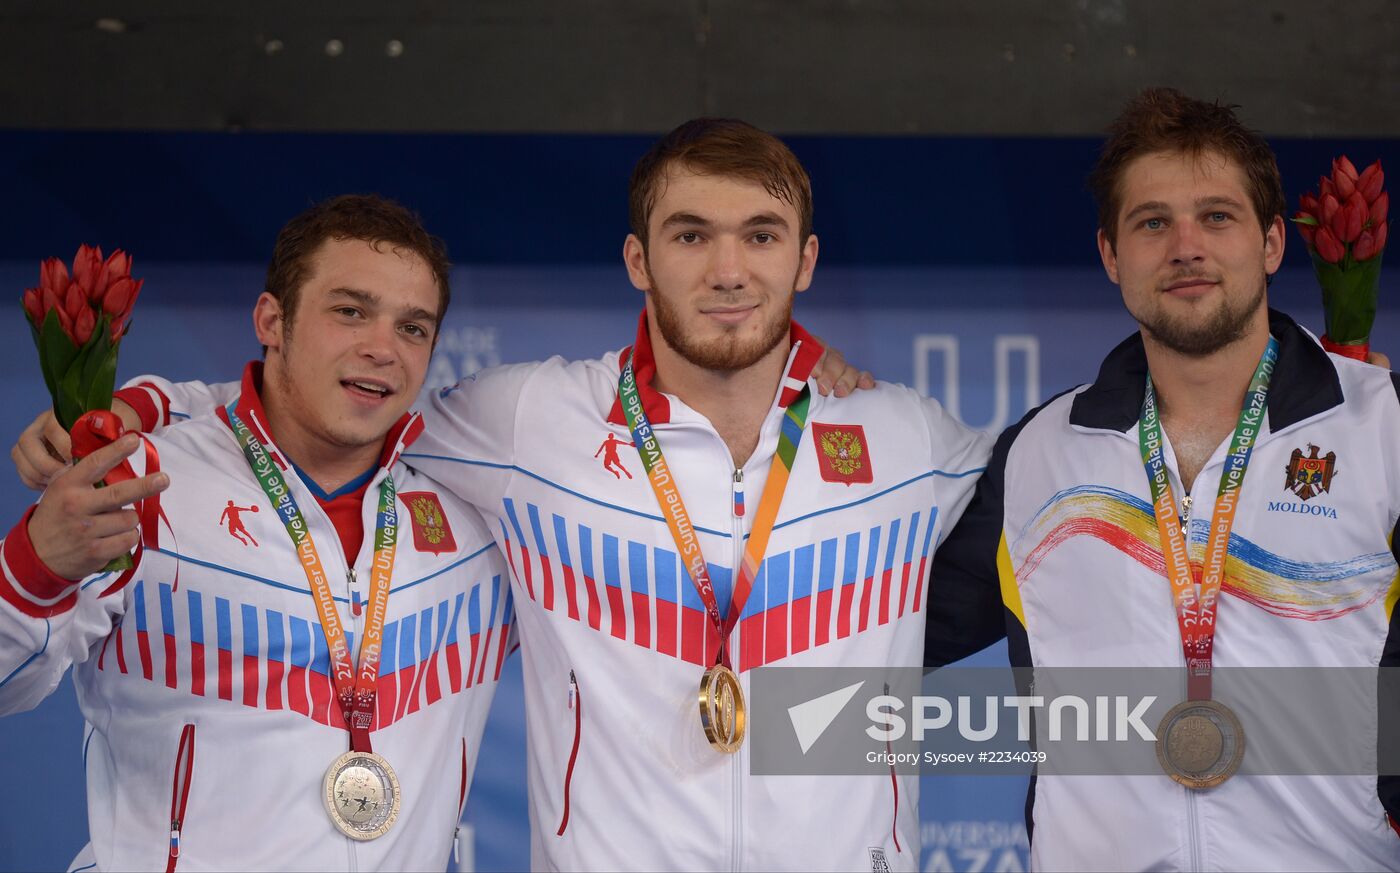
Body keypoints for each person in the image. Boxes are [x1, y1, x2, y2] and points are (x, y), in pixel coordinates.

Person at [19, 120, 988, 870]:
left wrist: (1118, 736)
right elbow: (324, 409)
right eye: (691, 235)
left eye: (760, 236)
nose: (728, 270)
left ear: (803, 262)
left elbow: (1065, 484)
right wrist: (134, 412)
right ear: (637, 261)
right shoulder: (525, 422)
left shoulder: (905, 438)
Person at [925, 87, 1400, 870]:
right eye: (1152, 223)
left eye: (1217, 216)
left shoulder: (1383, 429)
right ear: (1111, 255)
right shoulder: (1040, 451)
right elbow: (883, 626)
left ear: (1273, 241)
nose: (1186, 246)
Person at [0, 195, 514, 870]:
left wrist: (147, 398)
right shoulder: (147, 478)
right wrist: (36, 566)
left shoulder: (481, 498)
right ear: (272, 320)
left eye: (413, 328)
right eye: (350, 310)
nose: (382, 348)